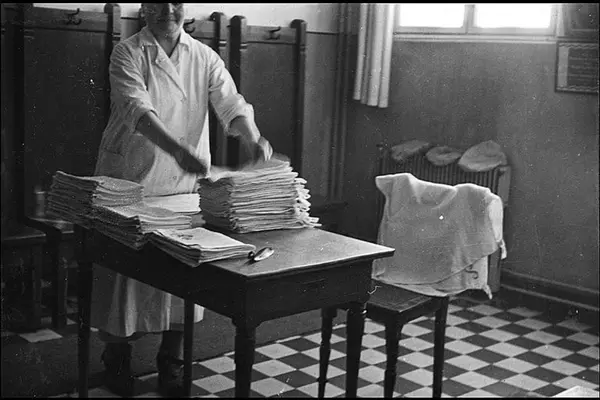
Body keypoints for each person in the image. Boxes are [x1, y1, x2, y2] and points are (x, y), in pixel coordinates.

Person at [90, 3, 273, 397]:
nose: (167, 11)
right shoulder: (128, 53)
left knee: (184, 269)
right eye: (157, 4)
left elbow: (231, 103)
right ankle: (116, 357)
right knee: (125, 278)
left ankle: (171, 359)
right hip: (133, 178)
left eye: (174, 3)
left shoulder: (203, 56)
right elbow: (137, 110)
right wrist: (177, 150)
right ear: (144, 9)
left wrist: (250, 137)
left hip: (184, 184)